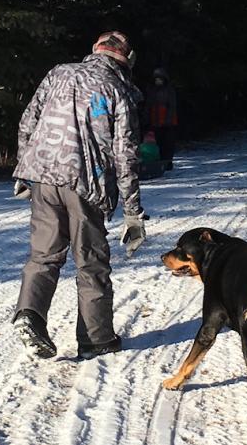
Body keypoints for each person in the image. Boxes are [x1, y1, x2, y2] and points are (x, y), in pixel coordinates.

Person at [12, 31, 146, 361]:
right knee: (90, 262)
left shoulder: (58, 73)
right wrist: (133, 212)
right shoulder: (118, 91)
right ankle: (96, 338)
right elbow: (125, 154)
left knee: (43, 255)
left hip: (43, 177)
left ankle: (29, 315)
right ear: (127, 61)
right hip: (87, 184)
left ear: (94, 51)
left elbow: (27, 122)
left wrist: (24, 169)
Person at [144, 67, 178, 169]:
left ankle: (167, 162)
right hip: (155, 121)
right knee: (157, 143)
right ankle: (159, 163)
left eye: (160, 79)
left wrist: (168, 120)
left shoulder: (169, 90)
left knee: (168, 144)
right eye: (156, 79)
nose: (158, 81)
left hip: (168, 122)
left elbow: (172, 106)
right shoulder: (151, 90)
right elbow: (148, 106)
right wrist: (146, 120)